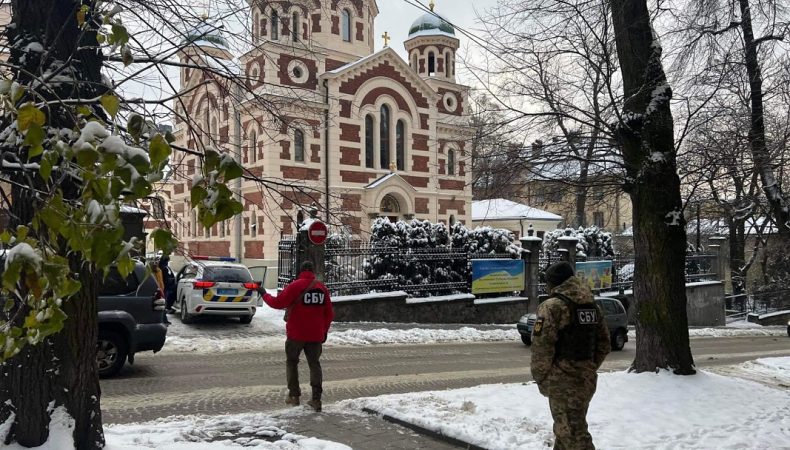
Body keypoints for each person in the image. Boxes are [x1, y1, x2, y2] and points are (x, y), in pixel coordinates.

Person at [531, 261, 611, 450]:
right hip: (586, 380)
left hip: (562, 382)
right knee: (566, 432)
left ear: (554, 283)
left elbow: (541, 347)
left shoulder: (552, 307)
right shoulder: (591, 306)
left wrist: (542, 378)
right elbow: (604, 344)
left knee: (574, 436)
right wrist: (587, 368)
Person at [257, 261, 333, 412]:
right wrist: (324, 331)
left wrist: (264, 294)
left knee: (292, 362)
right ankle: (316, 399)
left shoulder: (295, 286)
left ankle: (294, 395)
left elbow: (278, 303)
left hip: (296, 334)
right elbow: (329, 313)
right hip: (316, 334)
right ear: (313, 271)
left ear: (300, 271)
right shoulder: (322, 288)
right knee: (314, 364)